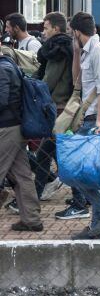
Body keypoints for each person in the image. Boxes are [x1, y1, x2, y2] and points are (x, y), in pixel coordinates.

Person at [62, 12, 100, 239]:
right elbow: (76, 82)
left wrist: (99, 121)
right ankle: (99, 228)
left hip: (97, 119)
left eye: (72, 33)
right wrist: (76, 53)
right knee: (92, 175)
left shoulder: (99, 52)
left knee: (78, 172)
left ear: (77, 32)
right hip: (88, 118)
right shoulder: (87, 51)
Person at [0, 46, 44, 232]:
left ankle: (31, 218)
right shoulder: (10, 64)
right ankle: (31, 219)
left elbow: (1, 101)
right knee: (22, 175)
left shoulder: (2, 69)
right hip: (16, 127)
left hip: (6, 128)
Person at [32, 12, 73, 200]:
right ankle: (36, 194)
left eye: (46, 27)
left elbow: (49, 80)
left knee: (57, 155)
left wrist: (33, 92)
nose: (43, 31)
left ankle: (82, 199)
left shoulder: (58, 49)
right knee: (47, 153)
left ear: (56, 28)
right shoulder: (64, 46)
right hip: (60, 105)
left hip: (58, 106)